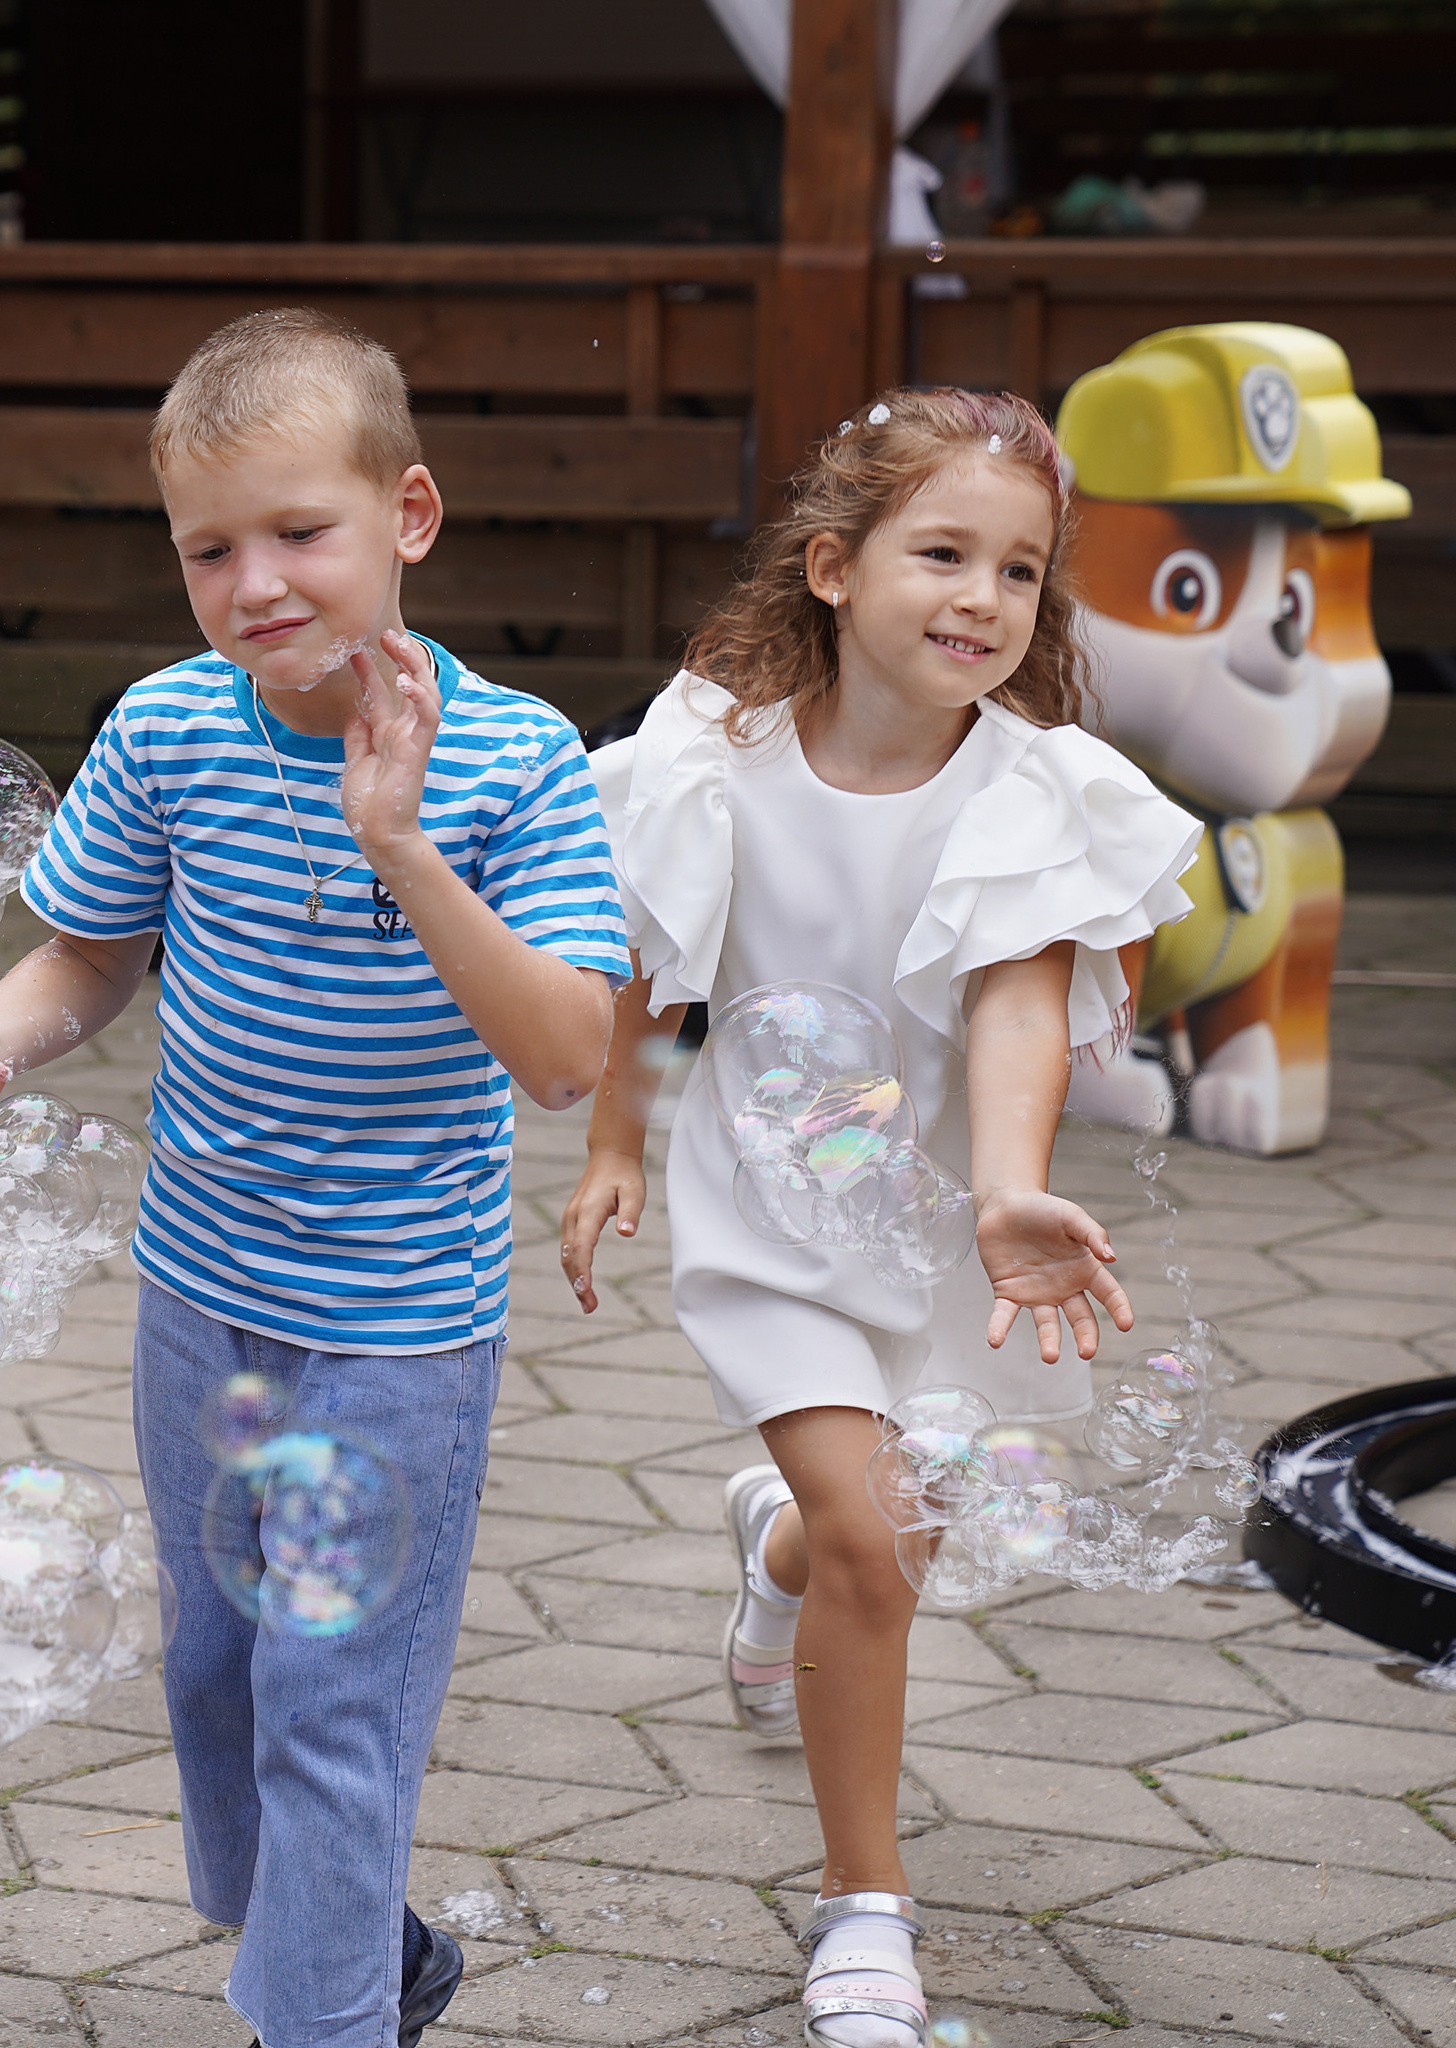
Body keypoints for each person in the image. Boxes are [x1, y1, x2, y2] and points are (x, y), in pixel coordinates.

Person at [0, 307, 628, 2047]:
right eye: (209, 549)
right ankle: (354, 1949)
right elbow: (84, 956)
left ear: (410, 518)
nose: (257, 582)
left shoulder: (522, 763)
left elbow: (569, 1052)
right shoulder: (169, 730)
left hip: (394, 1332)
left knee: (325, 1706)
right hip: (199, 1303)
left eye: (302, 531)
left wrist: (404, 848)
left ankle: (320, 2012)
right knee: (215, 1680)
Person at [559, 389, 1200, 2047]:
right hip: (765, 1209)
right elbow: (645, 951)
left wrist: (1003, 1192)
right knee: (882, 1545)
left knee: (870, 1539)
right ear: (835, 568)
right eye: (943, 554)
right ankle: (866, 1912)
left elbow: (1010, 1008)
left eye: (1019, 572)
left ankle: (770, 1560)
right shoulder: (715, 759)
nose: (983, 598)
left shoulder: (1036, 795)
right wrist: (617, 1145)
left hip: (935, 1226)